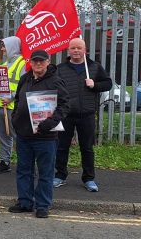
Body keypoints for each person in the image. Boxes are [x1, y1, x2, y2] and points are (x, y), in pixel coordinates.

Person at [9, 49, 69, 218]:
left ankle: (42, 205)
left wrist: (51, 122)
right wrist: (15, 119)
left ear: (48, 62)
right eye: (35, 61)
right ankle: (25, 202)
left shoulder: (56, 81)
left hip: (46, 137)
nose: (38, 64)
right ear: (30, 62)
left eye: (41, 61)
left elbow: (65, 105)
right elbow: (18, 100)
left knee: (45, 172)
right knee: (24, 170)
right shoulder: (25, 79)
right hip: (24, 134)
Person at [55, 38, 112, 192]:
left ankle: (89, 178)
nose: (76, 51)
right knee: (61, 147)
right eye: (73, 48)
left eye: (79, 48)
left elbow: (108, 83)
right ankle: (60, 175)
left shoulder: (94, 67)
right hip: (66, 114)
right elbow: (53, 87)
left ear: (85, 50)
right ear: (68, 51)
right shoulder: (60, 69)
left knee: (87, 148)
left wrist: (95, 85)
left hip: (87, 114)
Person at [0, 36, 26, 174]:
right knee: (3, 136)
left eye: (4, 46)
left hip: (12, 107)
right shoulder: (4, 64)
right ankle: (5, 162)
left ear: (12, 47)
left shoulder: (22, 64)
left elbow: (24, 86)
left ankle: (25, 163)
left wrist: (12, 98)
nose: (2, 49)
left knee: (18, 136)